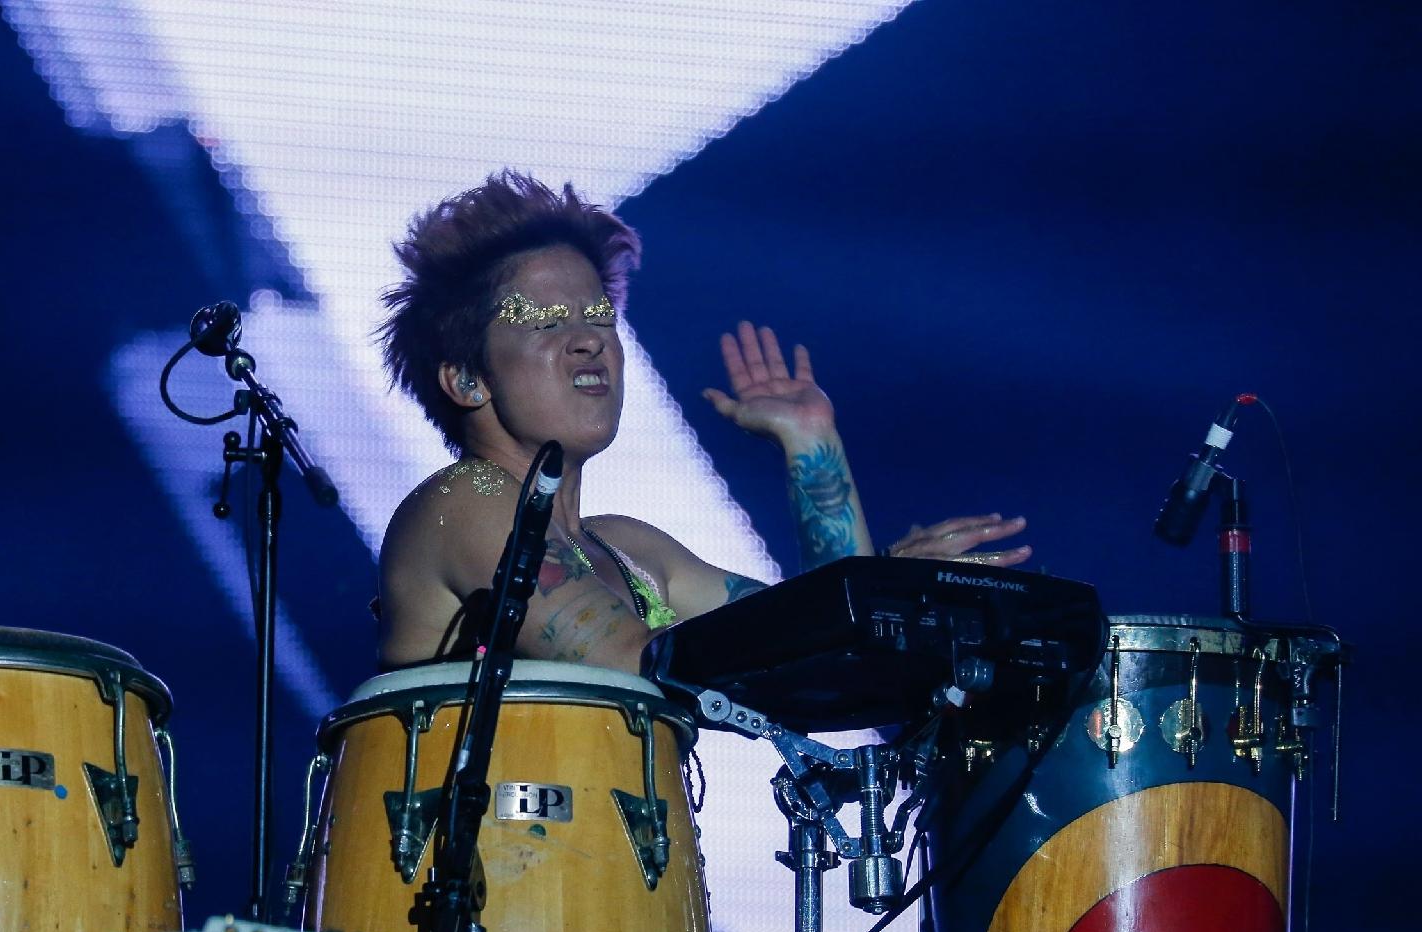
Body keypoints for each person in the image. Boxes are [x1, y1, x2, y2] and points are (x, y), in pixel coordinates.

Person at [377, 172, 1031, 671]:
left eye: (600, 316)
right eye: (544, 321)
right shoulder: (467, 500)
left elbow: (825, 657)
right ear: (465, 378)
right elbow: (641, 663)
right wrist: (857, 596)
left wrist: (811, 446)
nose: (589, 340)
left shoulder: (632, 550)